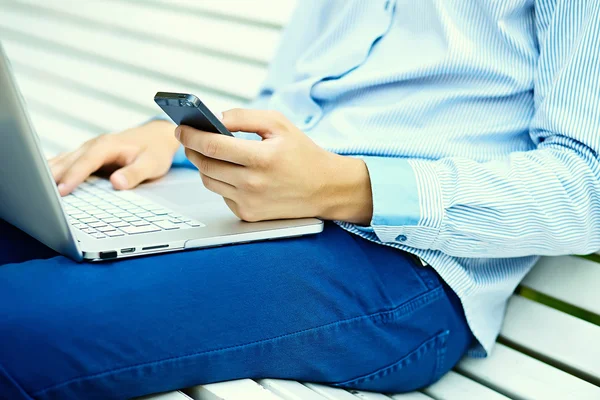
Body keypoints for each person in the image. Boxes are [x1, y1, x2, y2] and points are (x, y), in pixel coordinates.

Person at [1, 1, 599, 399]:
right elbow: (288, 107)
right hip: (263, 214)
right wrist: (172, 143)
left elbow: (589, 189)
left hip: (401, 269)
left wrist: (348, 188)